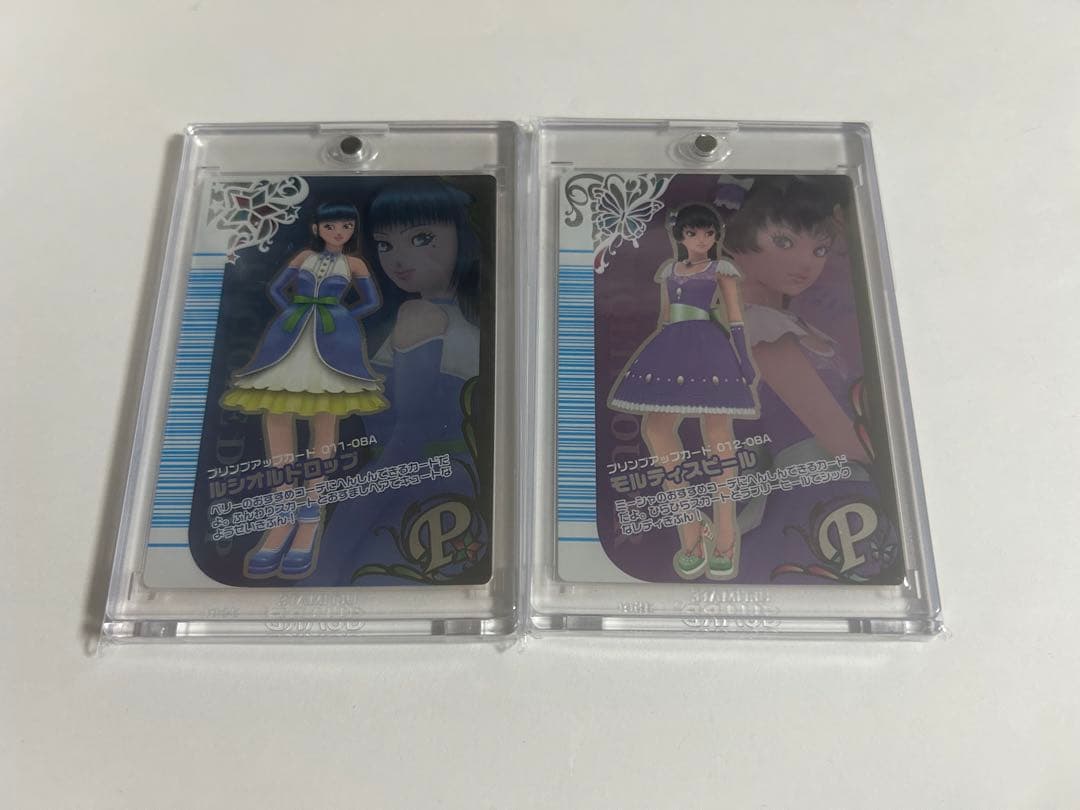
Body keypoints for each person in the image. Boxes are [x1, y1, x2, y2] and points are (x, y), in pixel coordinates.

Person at [319, 179, 488, 584]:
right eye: (385, 244)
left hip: (408, 491)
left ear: (462, 236)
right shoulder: (473, 324)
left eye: (421, 238)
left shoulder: (421, 316)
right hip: (456, 491)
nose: (397, 259)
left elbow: (407, 440)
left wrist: (341, 534)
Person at [220, 201, 386, 579]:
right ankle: (282, 514)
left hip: (333, 340)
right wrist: (291, 311)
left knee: (326, 418)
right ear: (317, 228)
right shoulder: (303, 257)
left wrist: (342, 317)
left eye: (346, 226)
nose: (339, 232)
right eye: (331, 226)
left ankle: (311, 514)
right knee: (277, 412)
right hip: (291, 334)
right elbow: (277, 288)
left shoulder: (354, 264)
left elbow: (371, 301)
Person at [608, 203, 758, 580]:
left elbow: (735, 319)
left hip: (709, 349)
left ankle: (726, 534)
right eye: (693, 233)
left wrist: (744, 361)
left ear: (716, 236)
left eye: (708, 233)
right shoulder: (670, 271)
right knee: (656, 428)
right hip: (673, 347)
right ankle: (689, 523)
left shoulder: (720, 270)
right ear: (681, 236)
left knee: (718, 433)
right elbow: (666, 317)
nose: (702, 240)